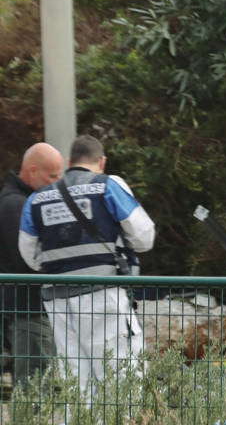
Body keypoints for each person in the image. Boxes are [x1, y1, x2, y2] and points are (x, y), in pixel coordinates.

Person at [18, 135, 155, 398]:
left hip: (58, 301)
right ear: (101, 161)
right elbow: (144, 237)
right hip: (105, 295)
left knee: (77, 378)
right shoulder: (108, 186)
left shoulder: (36, 200)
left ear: (69, 163)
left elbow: (30, 255)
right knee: (120, 374)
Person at [0, 143, 63, 387]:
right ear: (33, 170)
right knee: (34, 387)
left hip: (28, 307)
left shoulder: (19, 201)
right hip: (29, 308)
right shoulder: (15, 205)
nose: (57, 182)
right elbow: (26, 260)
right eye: (52, 175)